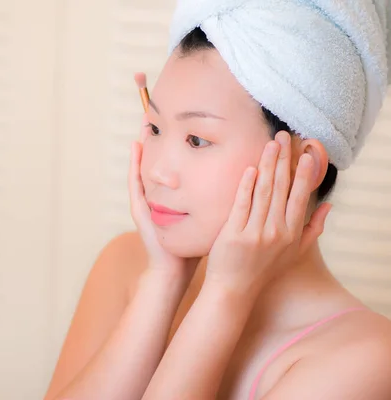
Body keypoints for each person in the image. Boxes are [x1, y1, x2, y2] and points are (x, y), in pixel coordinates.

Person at [43, 3, 391, 399]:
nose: (157, 172)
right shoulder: (125, 265)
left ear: (301, 166)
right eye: (155, 127)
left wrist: (226, 294)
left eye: (196, 139)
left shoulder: (363, 360)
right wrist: (164, 281)